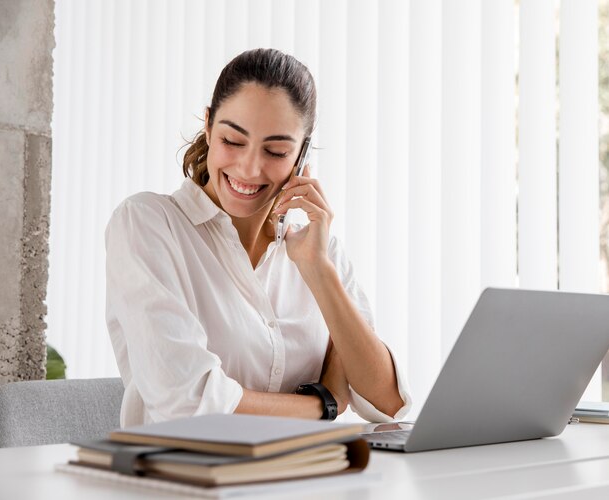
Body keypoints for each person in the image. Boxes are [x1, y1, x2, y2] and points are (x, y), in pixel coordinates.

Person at [105, 48, 411, 427]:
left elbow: (387, 404)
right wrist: (324, 402)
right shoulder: (148, 224)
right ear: (208, 125)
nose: (249, 168)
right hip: (184, 481)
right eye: (233, 141)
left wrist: (319, 272)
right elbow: (188, 404)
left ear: (301, 155)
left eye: (276, 150)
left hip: (301, 481)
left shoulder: (319, 250)